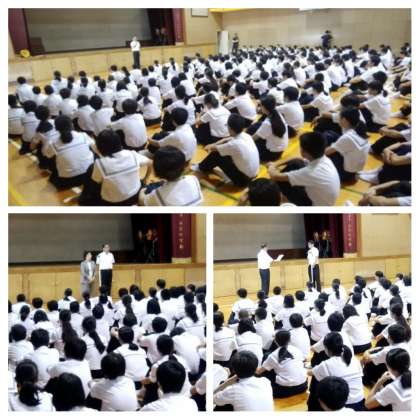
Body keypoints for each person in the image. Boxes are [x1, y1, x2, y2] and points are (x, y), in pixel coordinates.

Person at [268, 132, 340, 206]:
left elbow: (275, 176)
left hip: (315, 206)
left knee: (280, 181)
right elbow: (297, 158)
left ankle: (275, 199)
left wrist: (271, 167)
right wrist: (276, 164)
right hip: (323, 199)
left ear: (304, 152)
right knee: (296, 163)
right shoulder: (324, 159)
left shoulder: (310, 172)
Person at [193, 113, 260, 187]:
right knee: (223, 152)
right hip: (252, 175)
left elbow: (213, 149)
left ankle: (200, 167)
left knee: (217, 155)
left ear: (230, 128)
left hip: (243, 180)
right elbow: (228, 139)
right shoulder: (246, 136)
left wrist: (210, 146)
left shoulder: (234, 145)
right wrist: (215, 143)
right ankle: (204, 167)